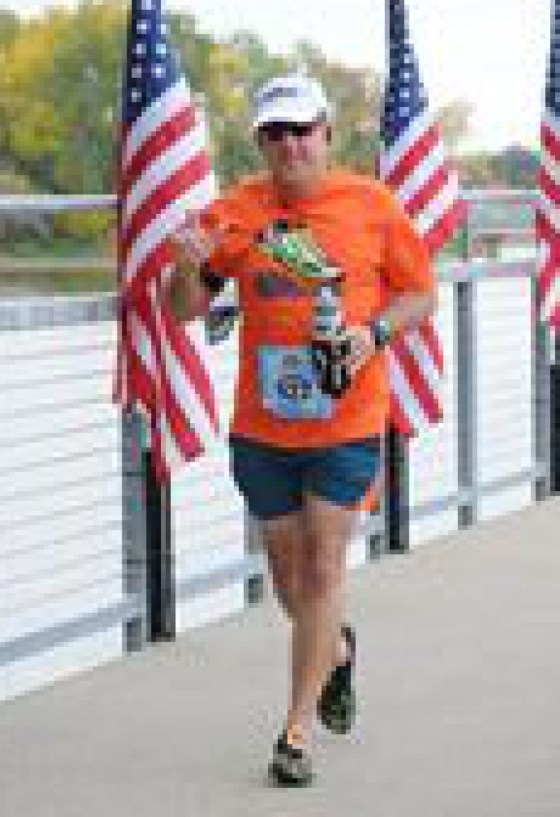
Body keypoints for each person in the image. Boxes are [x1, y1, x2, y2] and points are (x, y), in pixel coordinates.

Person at [165, 74, 435, 786]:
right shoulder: (234, 212)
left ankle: (295, 730)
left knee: (323, 568)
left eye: (302, 131)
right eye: (275, 134)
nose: (290, 145)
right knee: (289, 581)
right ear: (261, 143)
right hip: (264, 428)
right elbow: (184, 309)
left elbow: (420, 294)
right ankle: (336, 652)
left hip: (348, 421)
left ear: (326, 134)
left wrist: (372, 335)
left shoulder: (372, 205)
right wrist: (185, 266)